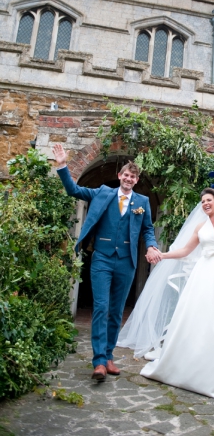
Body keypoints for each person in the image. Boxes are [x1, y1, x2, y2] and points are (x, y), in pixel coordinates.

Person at [128, 186, 214, 398]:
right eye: (202, 201)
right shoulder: (200, 228)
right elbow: (184, 251)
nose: (205, 203)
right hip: (206, 273)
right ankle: (197, 365)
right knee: (203, 316)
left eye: (209, 200)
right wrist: (162, 255)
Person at [51, 143, 162, 381]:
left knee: (116, 311)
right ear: (119, 176)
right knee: (101, 308)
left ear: (136, 179)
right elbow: (73, 190)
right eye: (126, 175)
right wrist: (62, 165)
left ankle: (109, 357)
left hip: (126, 262)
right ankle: (99, 361)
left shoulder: (142, 203)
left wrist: (152, 245)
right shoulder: (103, 192)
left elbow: (148, 230)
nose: (129, 179)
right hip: (101, 258)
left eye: (133, 176)